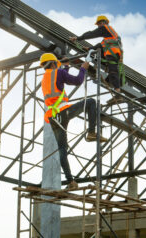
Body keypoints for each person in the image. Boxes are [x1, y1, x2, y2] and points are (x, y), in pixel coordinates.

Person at [40, 53, 108, 189]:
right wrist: (83, 68)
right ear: (54, 63)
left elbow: (59, 81)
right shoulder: (58, 72)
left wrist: (66, 66)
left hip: (54, 117)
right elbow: (77, 81)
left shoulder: (45, 78)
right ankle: (91, 132)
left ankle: (71, 182)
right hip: (63, 111)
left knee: (62, 150)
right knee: (91, 102)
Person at [69, 15, 123, 105]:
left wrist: (77, 38)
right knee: (112, 72)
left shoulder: (105, 27)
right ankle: (115, 88)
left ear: (102, 22)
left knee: (113, 71)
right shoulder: (109, 36)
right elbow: (100, 45)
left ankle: (118, 94)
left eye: (98, 24)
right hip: (112, 53)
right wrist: (90, 48)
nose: (98, 26)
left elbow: (91, 34)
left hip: (112, 52)